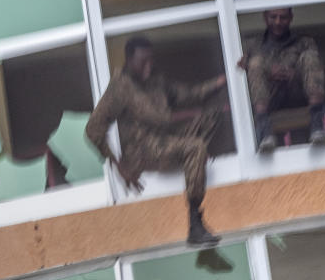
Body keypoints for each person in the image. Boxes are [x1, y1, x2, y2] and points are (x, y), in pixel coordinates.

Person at [86, 36, 226, 246]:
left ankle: (192, 161)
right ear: (129, 59)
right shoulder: (120, 88)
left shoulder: (156, 81)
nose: (149, 66)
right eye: (143, 61)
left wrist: (218, 83)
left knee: (213, 115)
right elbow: (93, 130)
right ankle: (195, 225)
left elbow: (187, 95)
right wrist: (118, 166)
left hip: (165, 140)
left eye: (151, 60)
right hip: (142, 151)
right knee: (195, 147)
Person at [237, 7, 325, 152]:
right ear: (265, 17)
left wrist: (295, 74)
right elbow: (239, 71)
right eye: (273, 17)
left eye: (283, 17)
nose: (278, 22)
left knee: (310, 57)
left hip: (297, 93)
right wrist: (268, 71)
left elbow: (319, 71)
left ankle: (317, 124)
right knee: (255, 63)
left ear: (291, 18)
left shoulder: (304, 42)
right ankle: (264, 131)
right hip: (269, 97)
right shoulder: (252, 45)